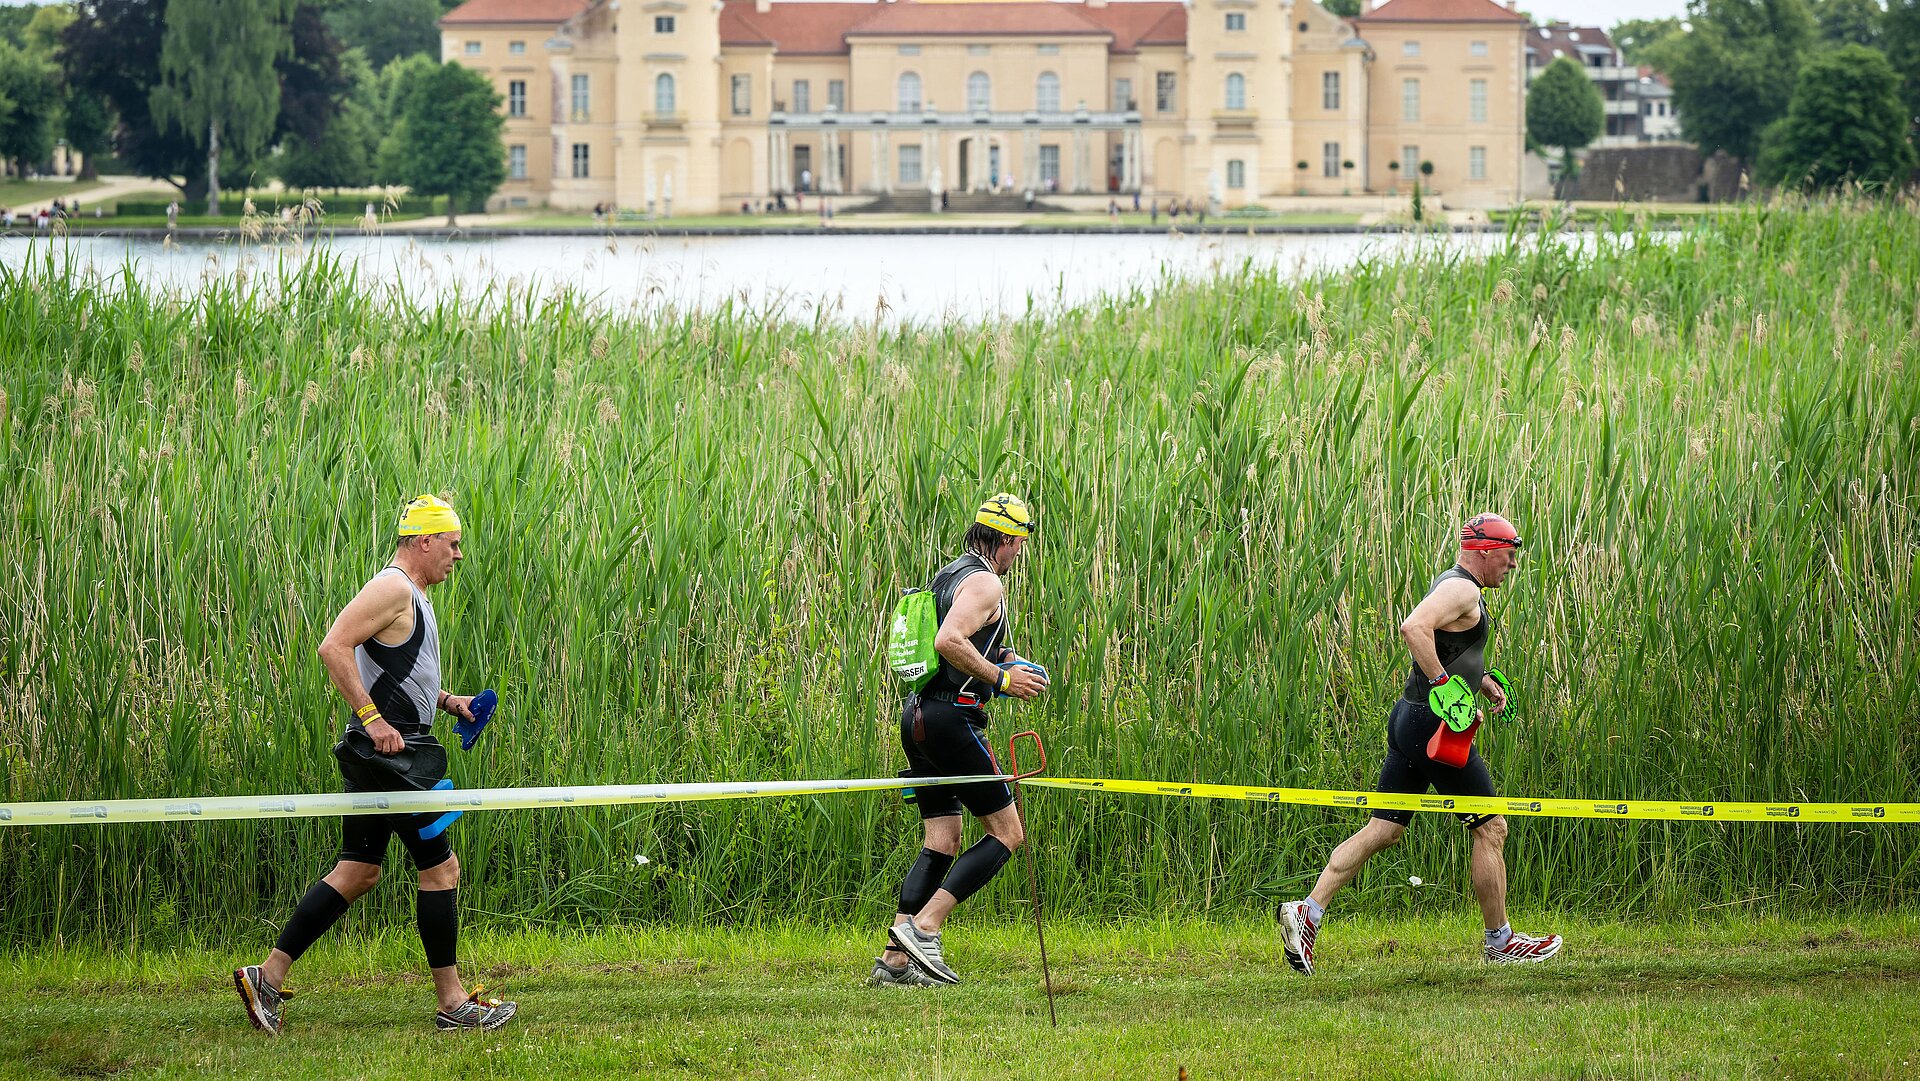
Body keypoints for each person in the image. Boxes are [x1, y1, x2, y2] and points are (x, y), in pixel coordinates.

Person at [234, 495, 517, 1035]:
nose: (458, 556)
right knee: (441, 868)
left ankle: (266, 977)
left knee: (359, 872)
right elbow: (333, 647)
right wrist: (371, 719)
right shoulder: (391, 587)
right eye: (453, 545)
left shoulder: (413, 595)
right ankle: (453, 1003)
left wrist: (449, 701)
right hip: (392, 758)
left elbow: (401, 673)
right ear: (425, 540)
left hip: (390, 755)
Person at [1276, 513, 1560, 973]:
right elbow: (1413, 628)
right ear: (1486, 551)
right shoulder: (1464, 588)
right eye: (1509, 557)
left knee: (1384, 829)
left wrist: (1478, 679)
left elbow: (1445, 642)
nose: (1512, 566)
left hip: (1409, 718)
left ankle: (1307, 912)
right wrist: (1444, 684)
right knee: (1492, 827)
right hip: (1431, 724)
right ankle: (1500, 941)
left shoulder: (1455, 583)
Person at [871, 494, 1050, 988]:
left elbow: (966, 642)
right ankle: (925, 931)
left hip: (918, 715)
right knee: (1007, 833)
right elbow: (948, 641)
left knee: (942, 840)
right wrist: (1003, 680)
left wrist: (1009, 661)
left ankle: (895, 961)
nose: (1019, 554)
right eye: (1020, 544)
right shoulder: (987, 581)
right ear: (1010, 540)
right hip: (953, 720)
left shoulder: (949, 574)